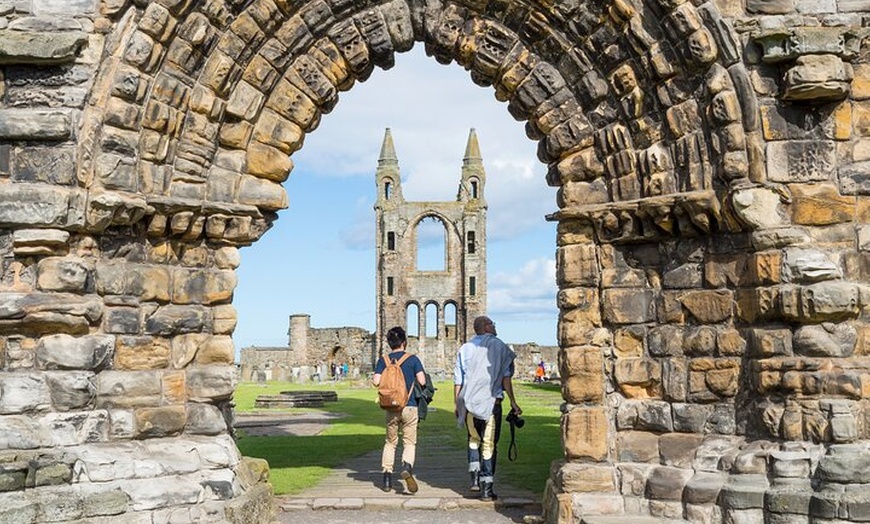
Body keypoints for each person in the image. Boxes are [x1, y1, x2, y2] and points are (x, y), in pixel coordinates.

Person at [453, 315, 522, 501]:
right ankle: (486, 488)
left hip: (468, 403)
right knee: (489, 444)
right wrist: (513, 402)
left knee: (473, 440)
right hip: (491, 402)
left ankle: (474, 479)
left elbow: (458, 381)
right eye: (492, 323)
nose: (494, 325)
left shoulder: (465, 349)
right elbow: (506, 378)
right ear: (485, 327)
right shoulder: (498, 346)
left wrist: (457, 404)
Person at [372, 326, 426, 493]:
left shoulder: (384, 360)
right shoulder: (413, 359)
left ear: (389, 343)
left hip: (391, 407)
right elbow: (422, 381)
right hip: (409, 406)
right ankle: (407, 467)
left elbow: (376, 381)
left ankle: (387, 478)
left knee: (390, 442)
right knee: (409, 442)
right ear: (404, 342)